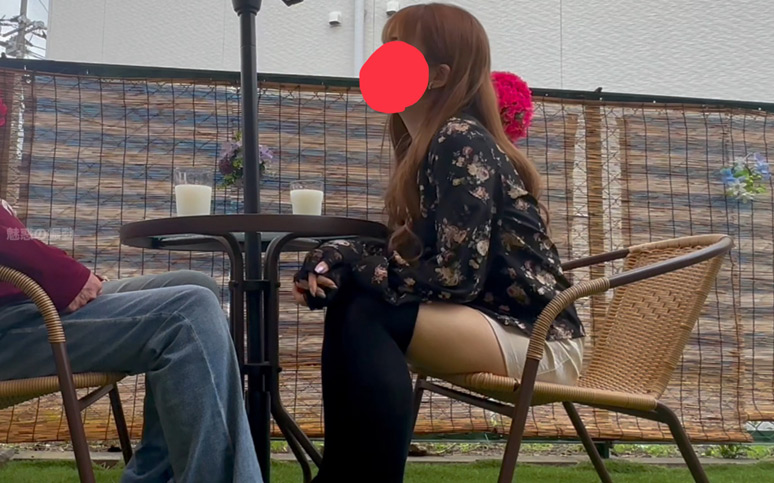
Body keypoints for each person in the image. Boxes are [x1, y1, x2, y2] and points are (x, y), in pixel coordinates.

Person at [292, 4, 585, 482]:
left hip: (539, 338)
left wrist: (355, 269)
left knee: (369, 310)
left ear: (439, 74)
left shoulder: (459, 140)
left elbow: (452, 277)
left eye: (397, 50)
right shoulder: (431, 146)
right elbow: (410, 261)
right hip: (493, 323)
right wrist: (337, 260)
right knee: (355, 300)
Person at [0, 198, 261, 483]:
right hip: (10, 325)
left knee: (197, 285)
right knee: (188, 313)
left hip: (27, 304)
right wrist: (65, 276)